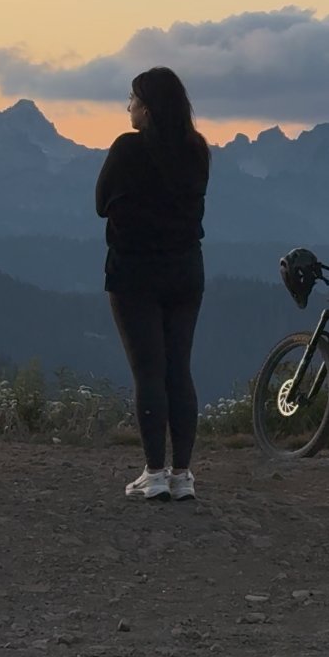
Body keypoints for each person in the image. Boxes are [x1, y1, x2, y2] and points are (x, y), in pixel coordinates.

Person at [96, 67, 210, 502]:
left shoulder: (127, 149)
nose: (128, 106)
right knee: (178, 368)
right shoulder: (196, 151)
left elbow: (99, 202)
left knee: (148, 371)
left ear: (147, 107)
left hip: (133, 273)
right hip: (186, 270)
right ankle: (183, 475)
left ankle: (154, 472)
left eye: (132, 99)